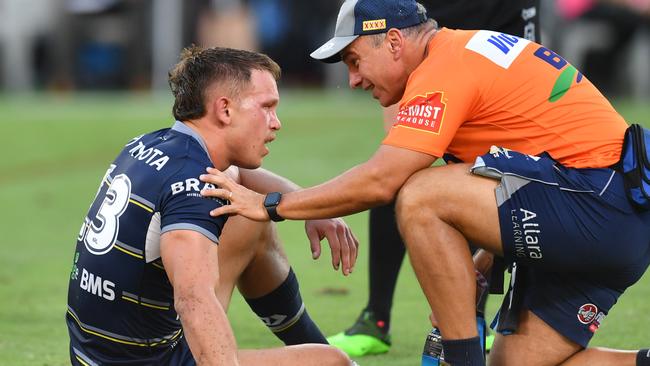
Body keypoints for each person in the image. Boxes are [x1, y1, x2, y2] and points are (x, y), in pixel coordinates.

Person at [198, 0, 650, 365]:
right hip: (612, 213)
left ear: (393, 41)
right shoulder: (463, 51)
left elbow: (383, 181)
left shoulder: (444, 67)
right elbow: (526, 168)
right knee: (514, 363)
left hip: (601, 206)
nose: (354, 80)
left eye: (355, 60)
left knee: (420, 195)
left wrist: (271, 205)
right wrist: (475, 266)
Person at [65, 46, 358, 365]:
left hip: (91, 353)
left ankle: (306, 343)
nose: (276, 123)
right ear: (225, 110)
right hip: (150, 360)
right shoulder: (192, 187)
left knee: (250, 220)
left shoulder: (152, 143)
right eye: (267, 107)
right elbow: (193, 301)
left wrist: (307, 207)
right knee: (333, 362)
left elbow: (238, 174)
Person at [326, 0, 541, 357]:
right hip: (415, 31)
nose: (352, 81)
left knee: (488, 169)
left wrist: (276, 204)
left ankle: (471, 314)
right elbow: (388, 171)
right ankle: (377, 317)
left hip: (485, 37)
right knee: (398, 167)